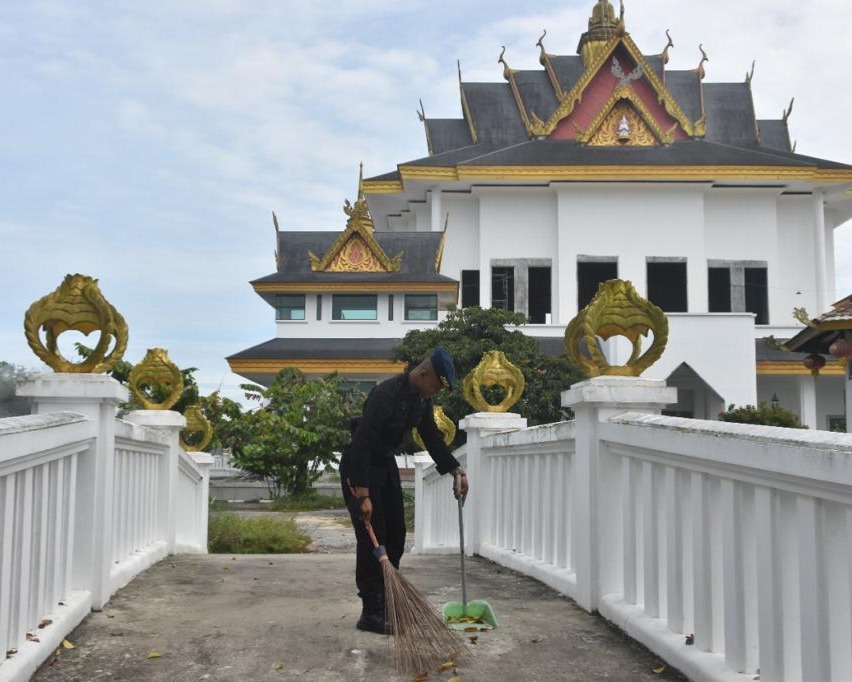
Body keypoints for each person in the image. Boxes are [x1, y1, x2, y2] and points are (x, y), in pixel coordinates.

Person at [340, 347, 469, 634]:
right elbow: (362, 441)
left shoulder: (421, 401)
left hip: (385, 465)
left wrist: (455, 470)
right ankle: (371, 612)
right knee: (373, 539)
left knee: (396, 533)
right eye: (434, 385)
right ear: (422, 373)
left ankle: (389, 602)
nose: (432, 392)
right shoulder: (386, 394)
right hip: (360, 467)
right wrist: (361, 493)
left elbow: (432, 439)